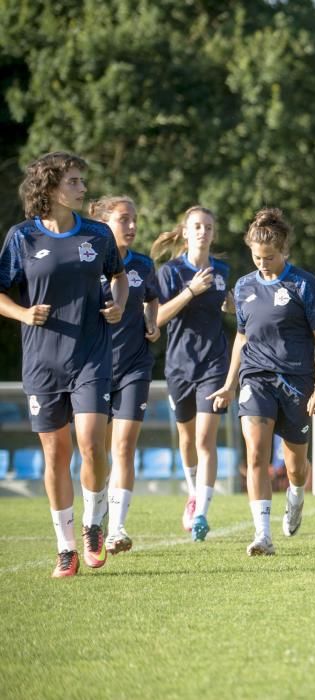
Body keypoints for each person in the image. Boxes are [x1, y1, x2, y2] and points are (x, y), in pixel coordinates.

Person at [0, 152, 127, 577]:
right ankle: (66, 548)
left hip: (91, 354)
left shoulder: (98, 234)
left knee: (92, 441)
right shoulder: (21, 238)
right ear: (51, 188)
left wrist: (119, 304)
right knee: (56, 455)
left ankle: (94, 525)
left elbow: (119, 276)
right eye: (73, 181)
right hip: (42, 362)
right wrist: (22, 313)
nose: (82, 188)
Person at [208, 208, 315, 555]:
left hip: (297, 381)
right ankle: (262, 535)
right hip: (256, 377)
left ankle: (296, 496)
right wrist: (230, 383)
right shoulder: (245, 286)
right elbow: (242, 338)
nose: (262, 263)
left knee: (296, 468)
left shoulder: (304, 285)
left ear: (284, 251)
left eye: (270, 257)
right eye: (257, 256)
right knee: (256, 452)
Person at [154, 205, 234, 541]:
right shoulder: (170, 273)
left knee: (205, 439)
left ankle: (202, 512)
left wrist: (231, 305)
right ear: (185, 232)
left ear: (214, 233)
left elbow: (231, 306)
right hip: (179, 366)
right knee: (187, 439)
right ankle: (193, 493)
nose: (203, 231)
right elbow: (156, 319)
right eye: (197, 226)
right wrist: (190, 291)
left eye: (208, 227)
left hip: (214, 364)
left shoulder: (223, 270)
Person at [89, 195, 161, 554]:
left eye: (134, 219)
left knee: (123, 447)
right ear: (103, 224)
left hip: (135, 367)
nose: (131, 226)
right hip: (94, 368)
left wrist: (151, 319)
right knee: (96, 451)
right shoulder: (86, 264)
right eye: (123, 220)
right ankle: (96, 516)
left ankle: (117, 529)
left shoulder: (143, 264)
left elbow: (151, 298)